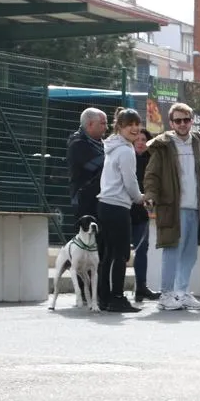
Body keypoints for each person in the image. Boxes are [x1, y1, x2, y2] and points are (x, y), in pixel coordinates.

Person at [143, 102, 200, 311]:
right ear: (171, 123)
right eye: (178, 120)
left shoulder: (197, 143)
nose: (182, 124)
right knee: (172, 251)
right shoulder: (163, 146)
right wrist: (151, 196)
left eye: (186, 120)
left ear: (192, 121)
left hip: (195, 209)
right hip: (172, 208)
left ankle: (181, 293)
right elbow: (152, 175)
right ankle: (166, 295)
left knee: (190, 254)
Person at [96, 108, 146, 313]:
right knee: (121, 254)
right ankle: (117, 297)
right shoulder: (126, 150)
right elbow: (130, 181)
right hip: (118, 206)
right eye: (129, 125)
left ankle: (104, 297)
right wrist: (140, 198)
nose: (134, 129)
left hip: (105, 204)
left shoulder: (112, 146)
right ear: (119, 126)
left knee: (107, 254)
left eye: (137, 124)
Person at [130, 128, 160, 303]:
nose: (140, 143)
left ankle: (141, 287)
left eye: (144, 140)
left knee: (142, 249)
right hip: (124, 209)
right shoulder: (126, 157)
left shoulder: (152, 161)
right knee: (119, 251)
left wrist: (152, 200)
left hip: (142, 211)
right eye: (137, 139)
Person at [66, 107, 107, 222]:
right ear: (90, 124)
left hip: (101, 200)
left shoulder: (101, 144)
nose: (106, 127)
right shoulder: (77, 144)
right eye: (103, 123)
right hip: (85, 202)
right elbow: (95, 165)